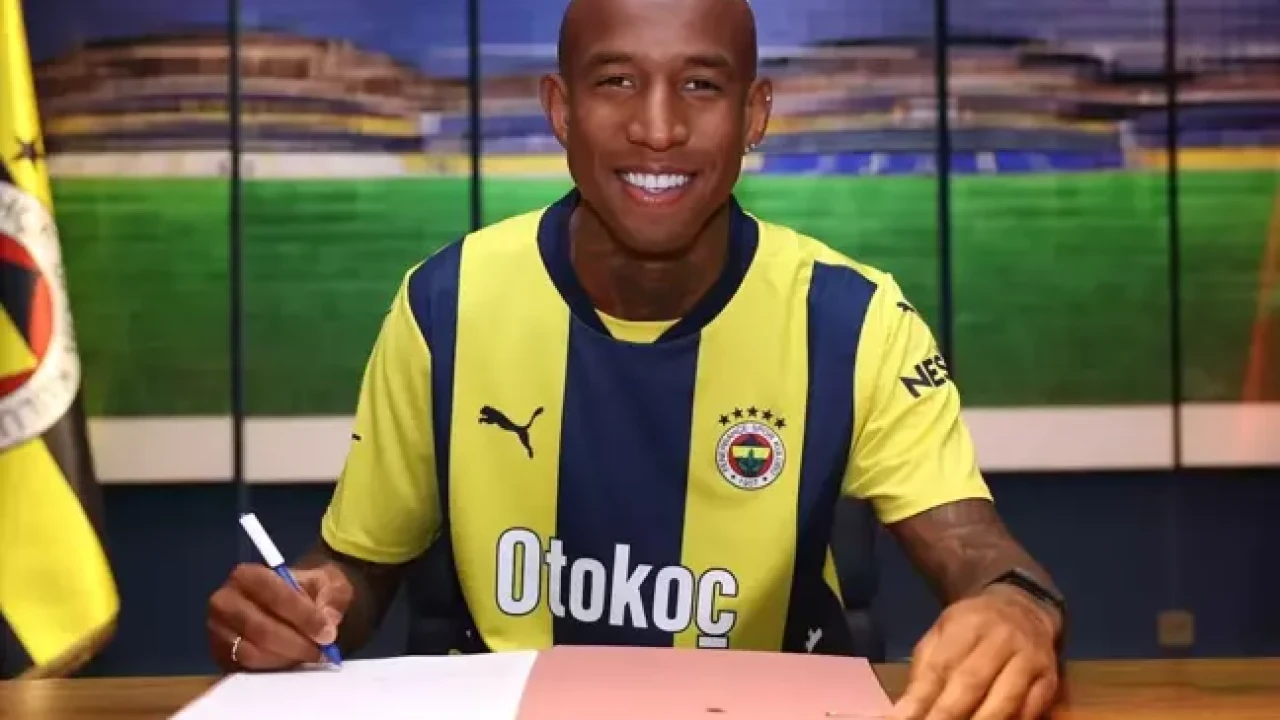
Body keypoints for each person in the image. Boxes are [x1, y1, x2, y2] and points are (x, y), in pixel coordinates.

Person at [207, 0, 1066, 717]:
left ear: (754, 114)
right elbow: (357, 573)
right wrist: (303, 607)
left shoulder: (854, 319)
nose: (658, 129)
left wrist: (1015, 609)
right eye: (617, 82)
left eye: (701, 85)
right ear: (561, 109)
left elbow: (978, 552)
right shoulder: (445, 304)